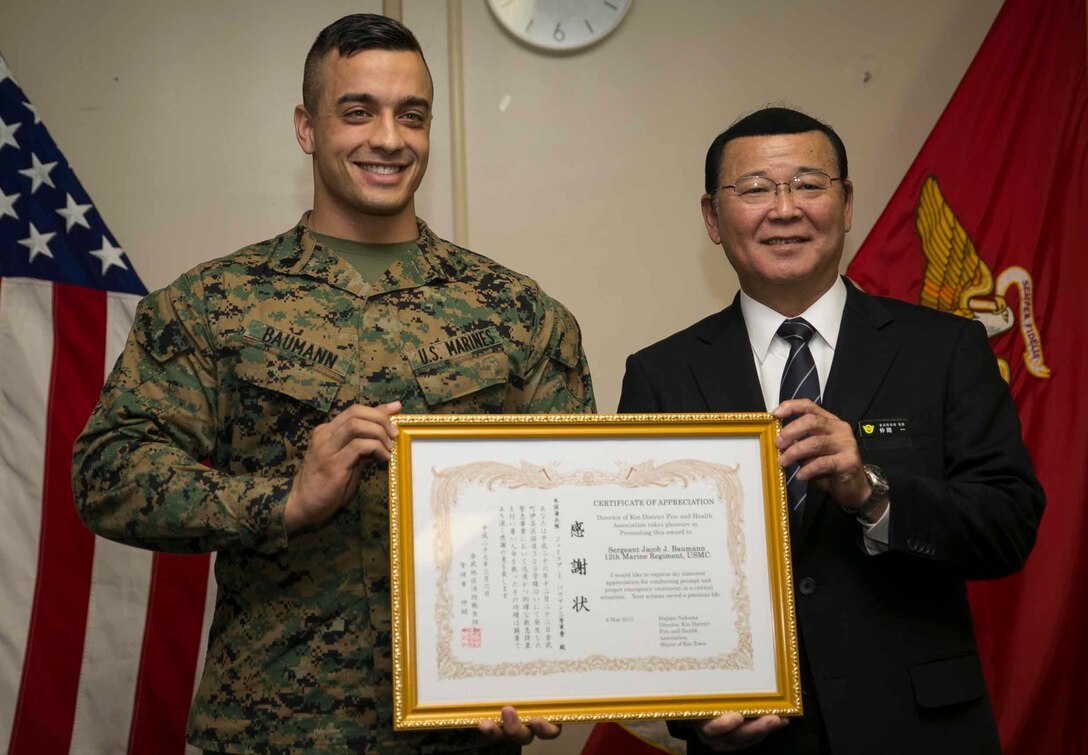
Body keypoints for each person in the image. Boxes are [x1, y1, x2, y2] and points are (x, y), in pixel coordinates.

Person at [72, 13, 593, 754]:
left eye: (411, 115)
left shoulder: (518, 313)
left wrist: (542, 671)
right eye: (358, 111)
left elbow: (572, 508)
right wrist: (283, 500)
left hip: (462, 730)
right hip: (275, 730)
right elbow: (108, 472)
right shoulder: (214, 303)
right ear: (306, 127)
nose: (389, 138)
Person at [617, 107, 1043, 754]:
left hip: (919, 731)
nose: (785, 209)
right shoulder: (661, 375)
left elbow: (1008, 526)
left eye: (809, 185)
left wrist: (871, 492)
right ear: (712, 217)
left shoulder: (944, 348)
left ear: (845, 205)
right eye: (755, 188)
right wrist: (692, 710)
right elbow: (640, 572)